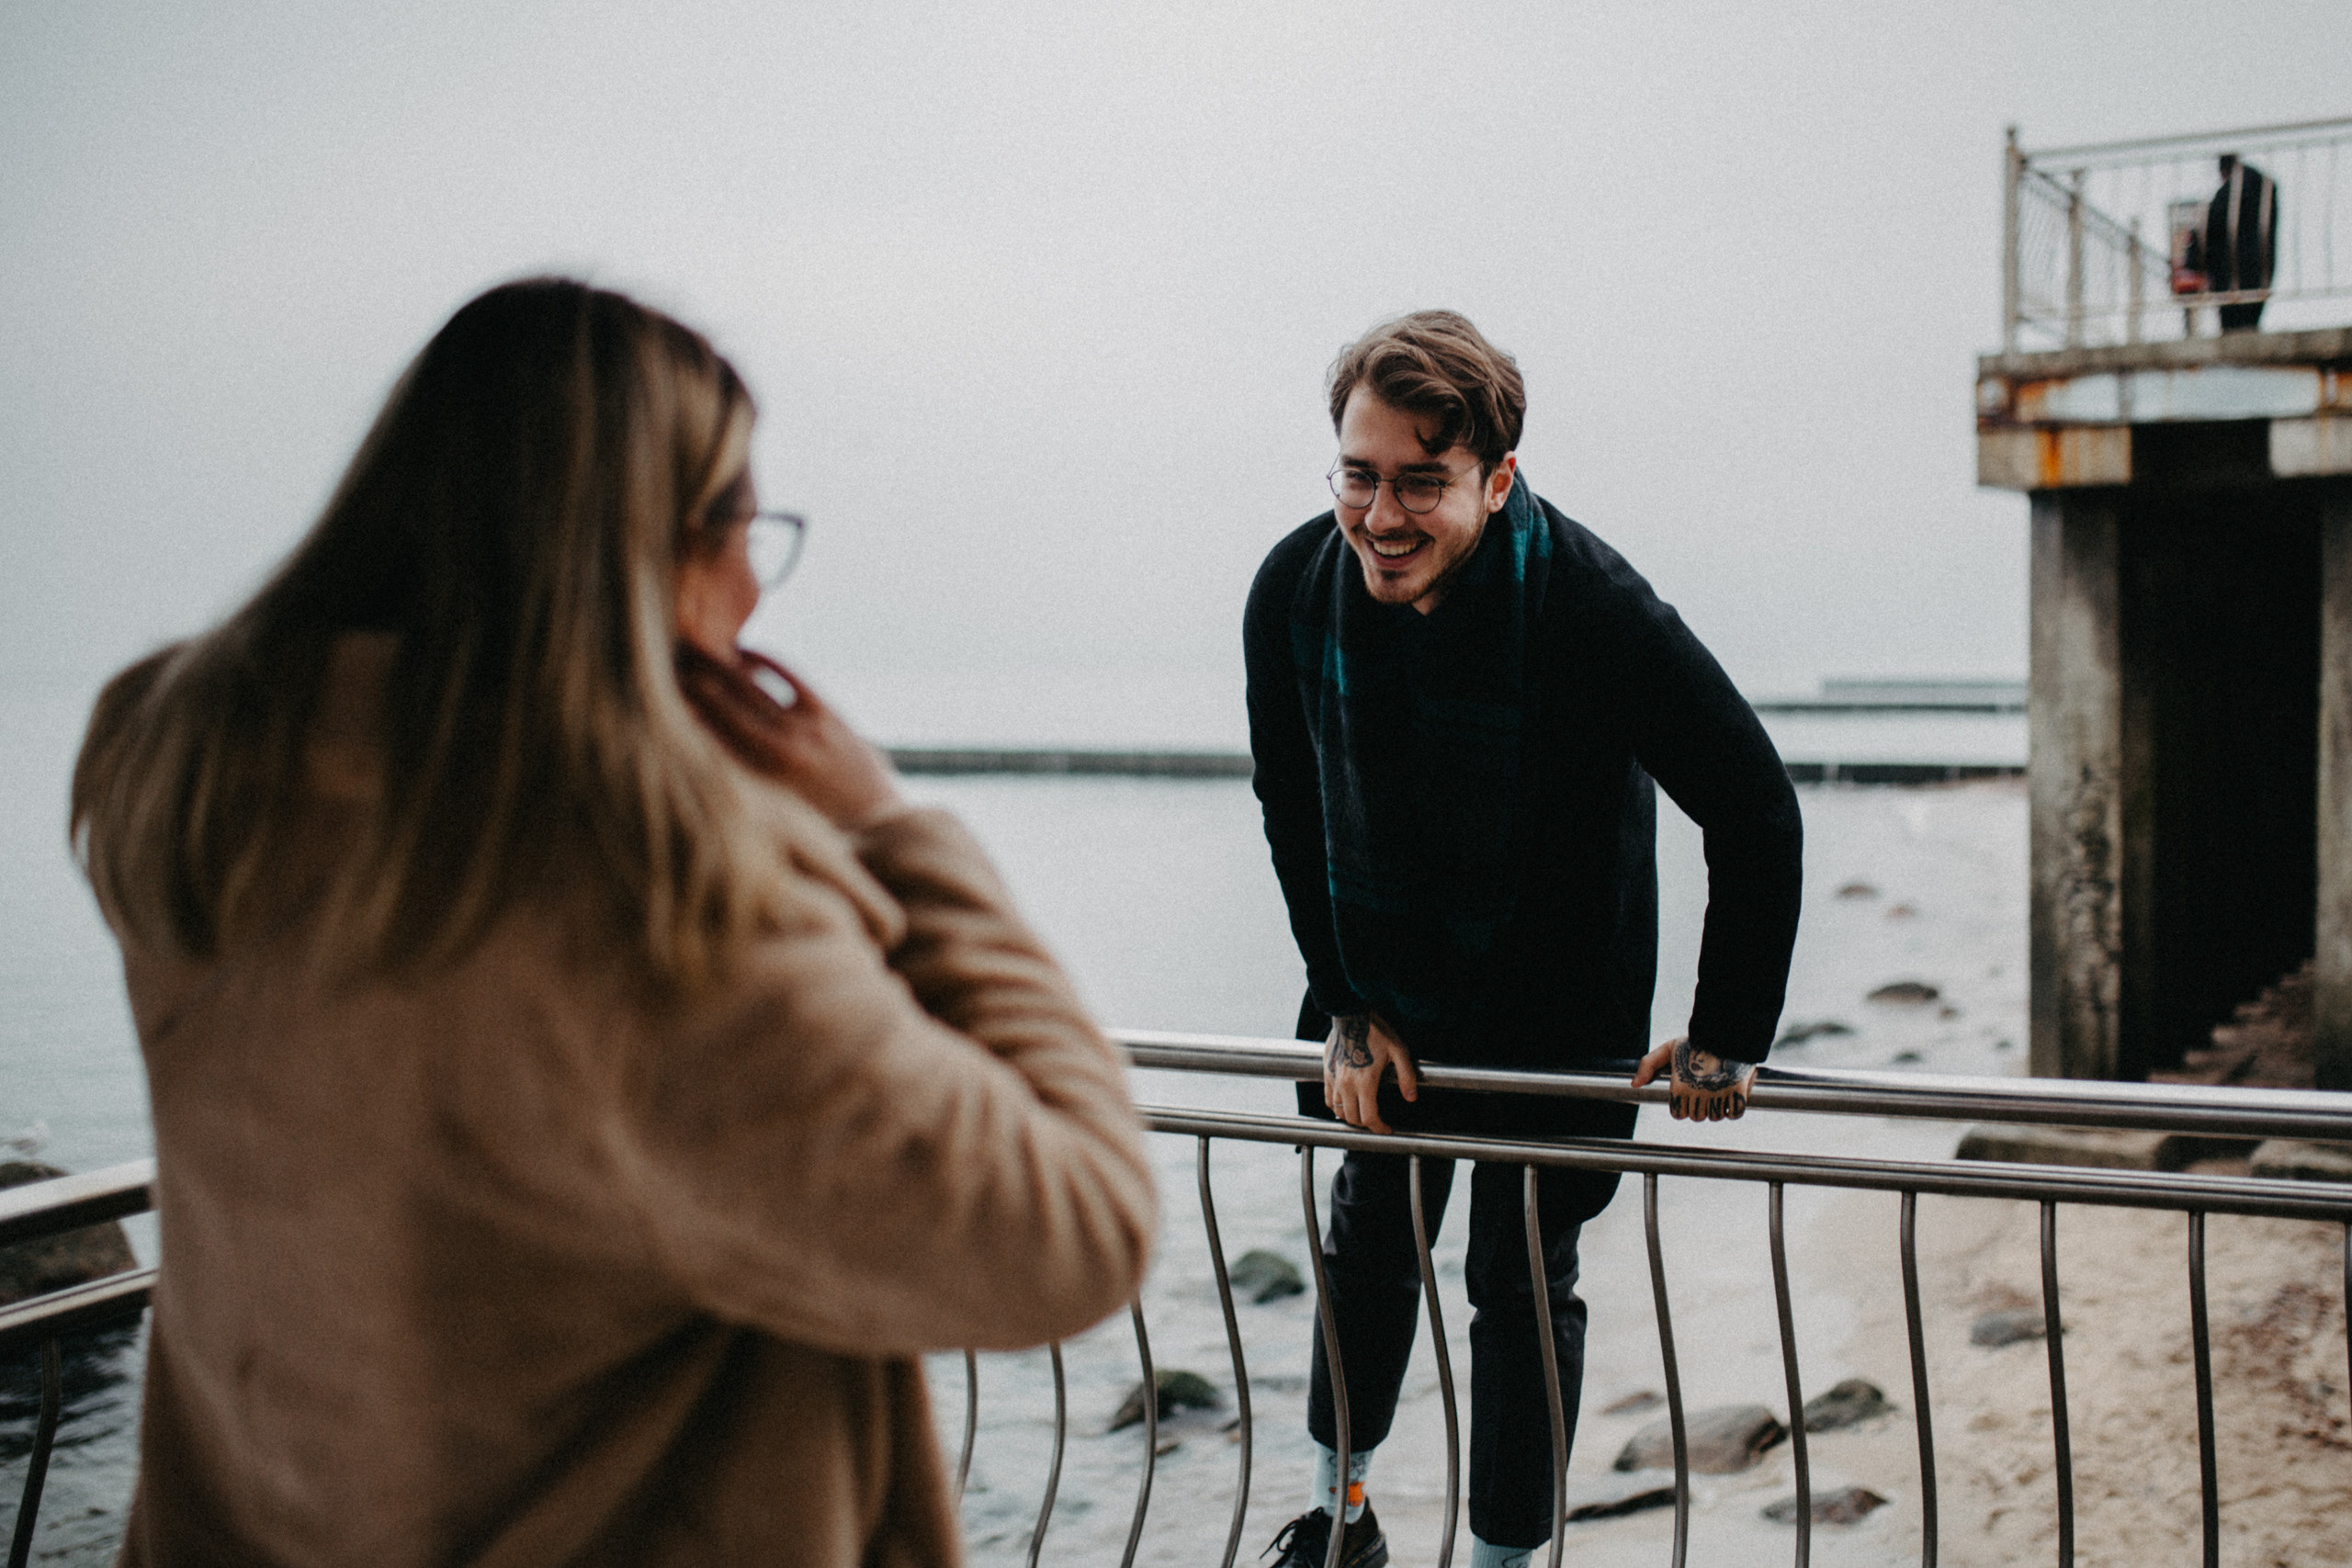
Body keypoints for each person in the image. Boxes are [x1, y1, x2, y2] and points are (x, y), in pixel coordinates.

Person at [70, 278, 1156, 1567]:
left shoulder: (205, 793)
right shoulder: (661, 917)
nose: (753, 589)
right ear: (645, 555)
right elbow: (1079, 1228)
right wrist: (892, 834)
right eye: (742, 531)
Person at [1244, 311, 1803, 1568]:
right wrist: (1343, 1002)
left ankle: (1504, 1561)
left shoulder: (1591, 606)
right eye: (1359, 475)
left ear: (1496, 480)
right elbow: (1290, 804)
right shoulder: (1294, 590)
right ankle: (1340, 1518)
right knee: (1368, 1239)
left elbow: (1755, 807)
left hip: (1558, 1006)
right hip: (1392, 994)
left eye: (1421, 482)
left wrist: (1726, 1034)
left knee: (1519, 1279)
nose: (1381, 515)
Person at [2205, 152, 2278, 333]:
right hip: (2261, 268)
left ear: (2223, 170)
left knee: (2233, 325)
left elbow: (2211, 232)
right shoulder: (2264, 186)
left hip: (2230, 275)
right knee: (2250, 320)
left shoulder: (2225, 196)